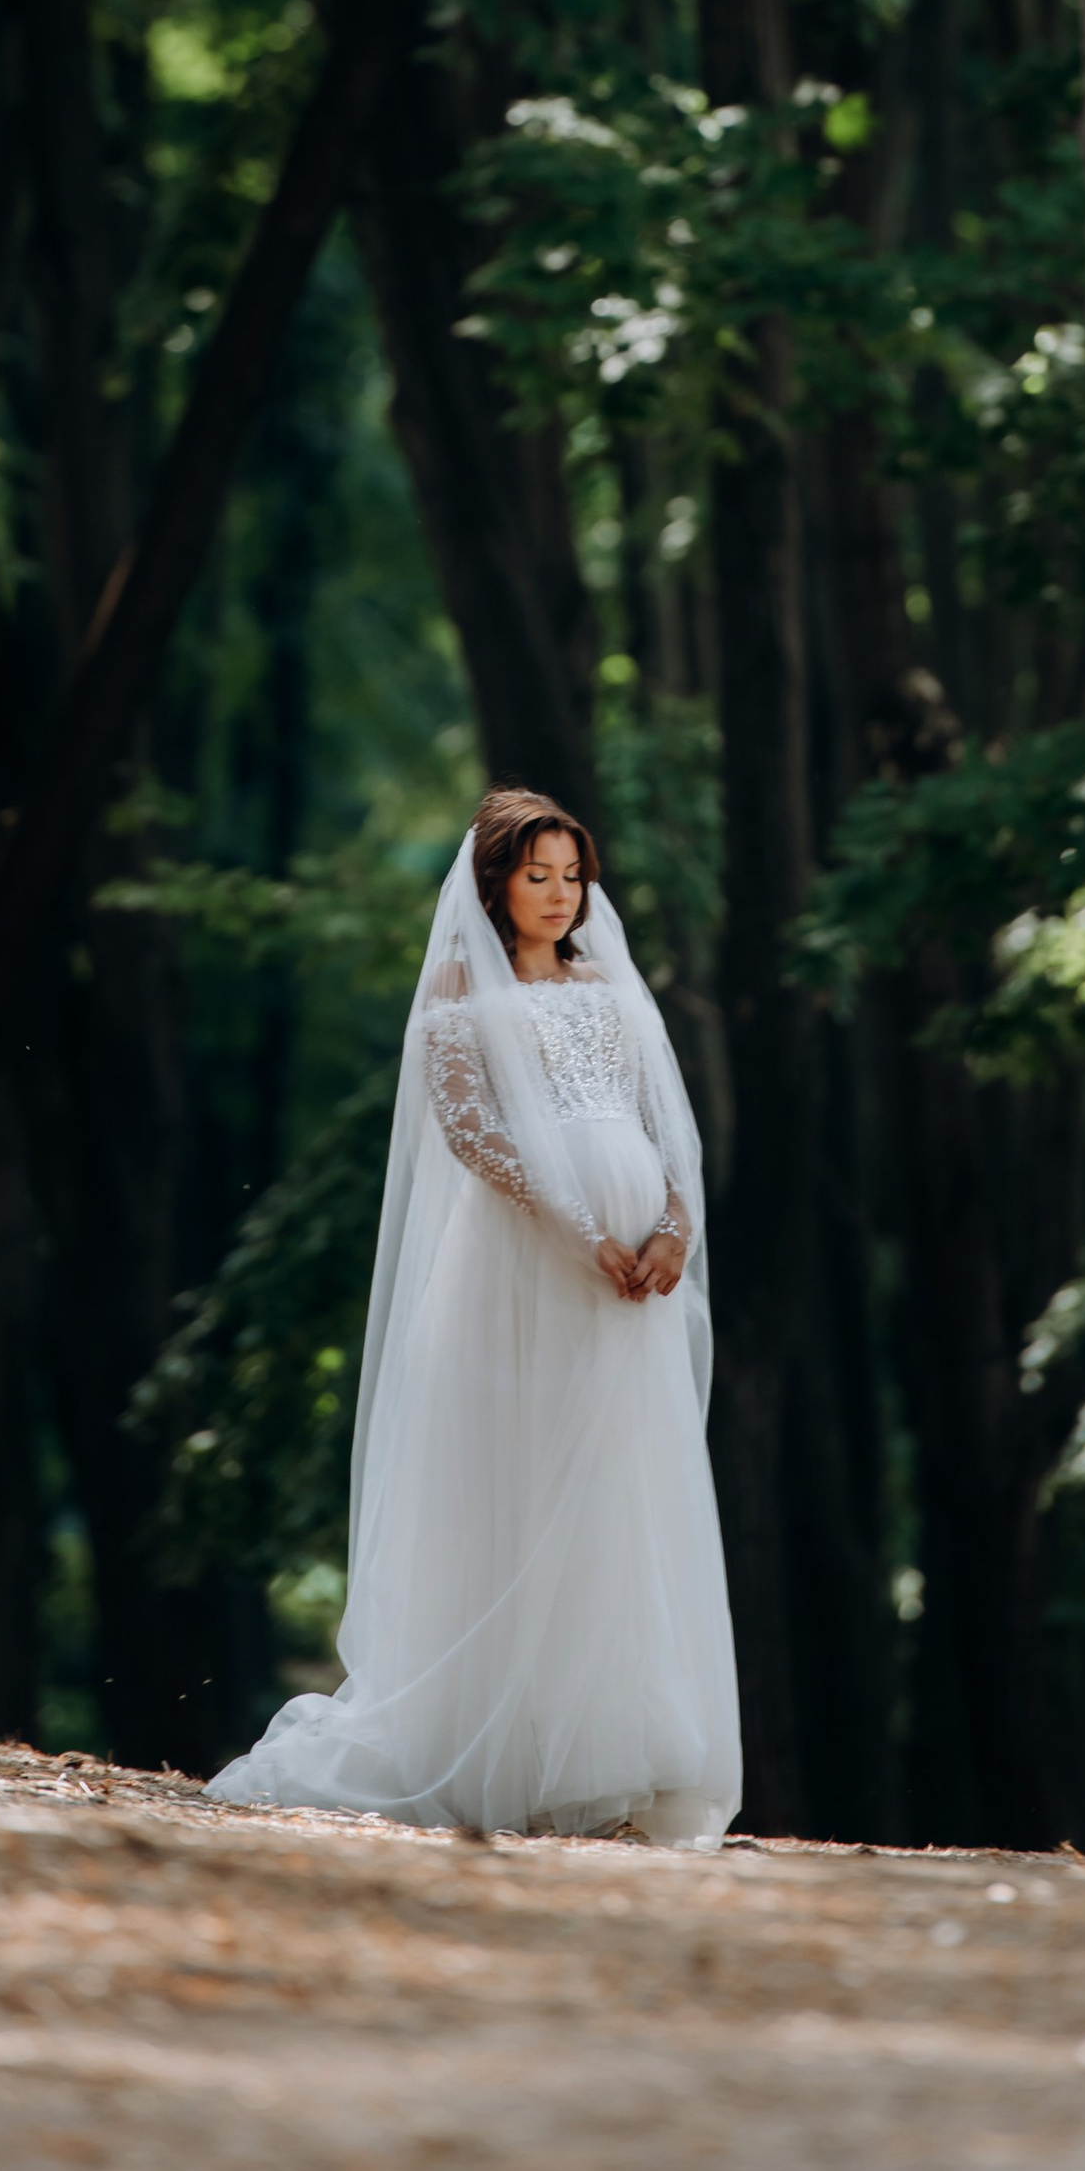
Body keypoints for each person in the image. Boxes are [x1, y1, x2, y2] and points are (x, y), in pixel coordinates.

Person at [209, 786, 742, 1844]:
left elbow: (662, 1125)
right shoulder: (459, 988)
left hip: (629, 1279)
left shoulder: (610, 988)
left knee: (616, 1492)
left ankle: (618, 1753)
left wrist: (668, 1231)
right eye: (536, 873)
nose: (558, 893)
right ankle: (499, 1746)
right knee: (520, 1483)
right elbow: (471, 1131)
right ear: (495, 880)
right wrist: (576, 1223)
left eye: (572, 874)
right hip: (521, 1269)